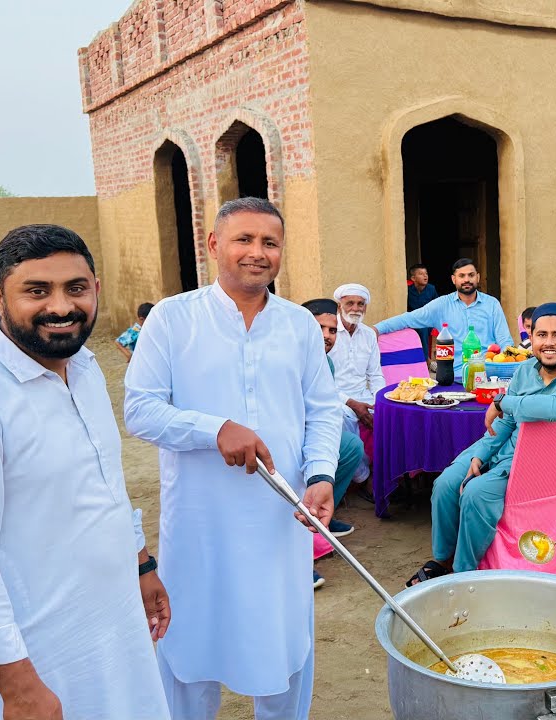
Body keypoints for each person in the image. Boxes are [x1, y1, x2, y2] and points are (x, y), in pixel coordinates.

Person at [0, 224, 169, 720]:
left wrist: (141, 562)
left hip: (113, 629)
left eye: (76, 288)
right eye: (37, 290)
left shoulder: (83, 366)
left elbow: (105, 484)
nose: (62, 307)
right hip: (36, 659)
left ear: (96, 290)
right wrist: (19, 688)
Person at [124, 197, 342, 720]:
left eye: (269, 243)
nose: (257, 253)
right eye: (244, 240)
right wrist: (213, 428)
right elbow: (140, 410)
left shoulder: (299, 325)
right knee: (191, 645)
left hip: (279, 518)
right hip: (201, 520)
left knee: (282, 643)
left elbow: (323, 410)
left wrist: (320, 475)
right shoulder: (173, 319)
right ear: (214, 245)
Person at [405, 303, 556, 586]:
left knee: (476, 494)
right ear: (530, 337)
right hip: (504, 445)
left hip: (542, 463)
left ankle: (464, 573)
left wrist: (501, 401)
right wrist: (482, 454)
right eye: (542, 335)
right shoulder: (524, 370)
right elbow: (506, 422)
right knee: (446, 483)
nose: (549, 343)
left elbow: (553, 407)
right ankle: (442, 559)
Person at [303, 298, 371, 589]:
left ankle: (321, 520)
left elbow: (325, 403)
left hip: (311, 428)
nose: (327, 336)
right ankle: (298, 560)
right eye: (321, 328)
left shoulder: (326, 362)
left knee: (351, 447)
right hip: (284, 433)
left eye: (332, 330)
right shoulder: (288, 356)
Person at [375, 257, 513, 378]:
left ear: (477, 277)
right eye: (461, 276)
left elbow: (504, 340)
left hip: (488, 375)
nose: (466, 280)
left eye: (471, 275)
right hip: (454, 377)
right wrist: (376, 329)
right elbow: (408, 319)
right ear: (454, 279)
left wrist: (507, 366)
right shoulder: (441, 305)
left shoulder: (492, 304)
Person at [330, 283, 384, 435]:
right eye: (350, 303)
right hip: (336, 397)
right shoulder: (328, 333)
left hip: (363, 395)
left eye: (361, 304)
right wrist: (352, 403)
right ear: (339, 306)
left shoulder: (368, 334)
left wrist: (381, 401)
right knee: (342, 417)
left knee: (391, 414)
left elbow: (375, 375)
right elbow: (322, 382)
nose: (356, 308)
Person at [406, 263, 437, 355]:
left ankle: (428, 359)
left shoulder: (431, 289)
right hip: (412, 319)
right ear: (413, 278)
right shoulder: (407, 290)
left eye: (426, 274)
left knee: (424, 329)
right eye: (421, 274)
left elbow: (437, 306)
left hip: (427, 320)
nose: (425, 276)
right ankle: (425, 360)